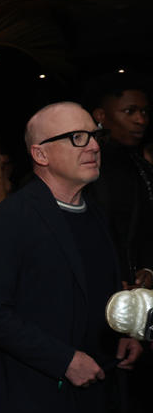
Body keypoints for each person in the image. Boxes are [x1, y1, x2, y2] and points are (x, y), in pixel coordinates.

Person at [0, 102, 143, 413]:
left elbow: (99, 287)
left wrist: (123, 332)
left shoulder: (96, 213)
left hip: (101, 395)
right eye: (77, 137)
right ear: (41, 154)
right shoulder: (12, 218)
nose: (93, 145)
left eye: (95, 135)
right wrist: (63, 361)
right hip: (40, 402)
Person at [86, 78, 152, 289]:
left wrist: (149, 268)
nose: (140, 120)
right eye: (130, 111)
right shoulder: (83, 165)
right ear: (101, 116)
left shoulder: (141, 166)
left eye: (144, 112)